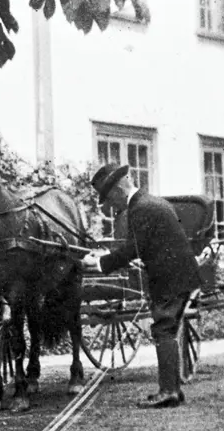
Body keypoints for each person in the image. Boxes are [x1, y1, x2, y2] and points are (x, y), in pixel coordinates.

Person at [82, 163, 202, 408]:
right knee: (166, 328)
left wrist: (99, 263)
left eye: (108, 199)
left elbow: (132, 249)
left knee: (164, 329)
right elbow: (144, 246)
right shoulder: (150, 202)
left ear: (118, 190)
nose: (110, 206)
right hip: (177, 275)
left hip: (170, 278)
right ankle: (173, 390)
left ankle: (168, 391)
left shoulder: (140, 208)